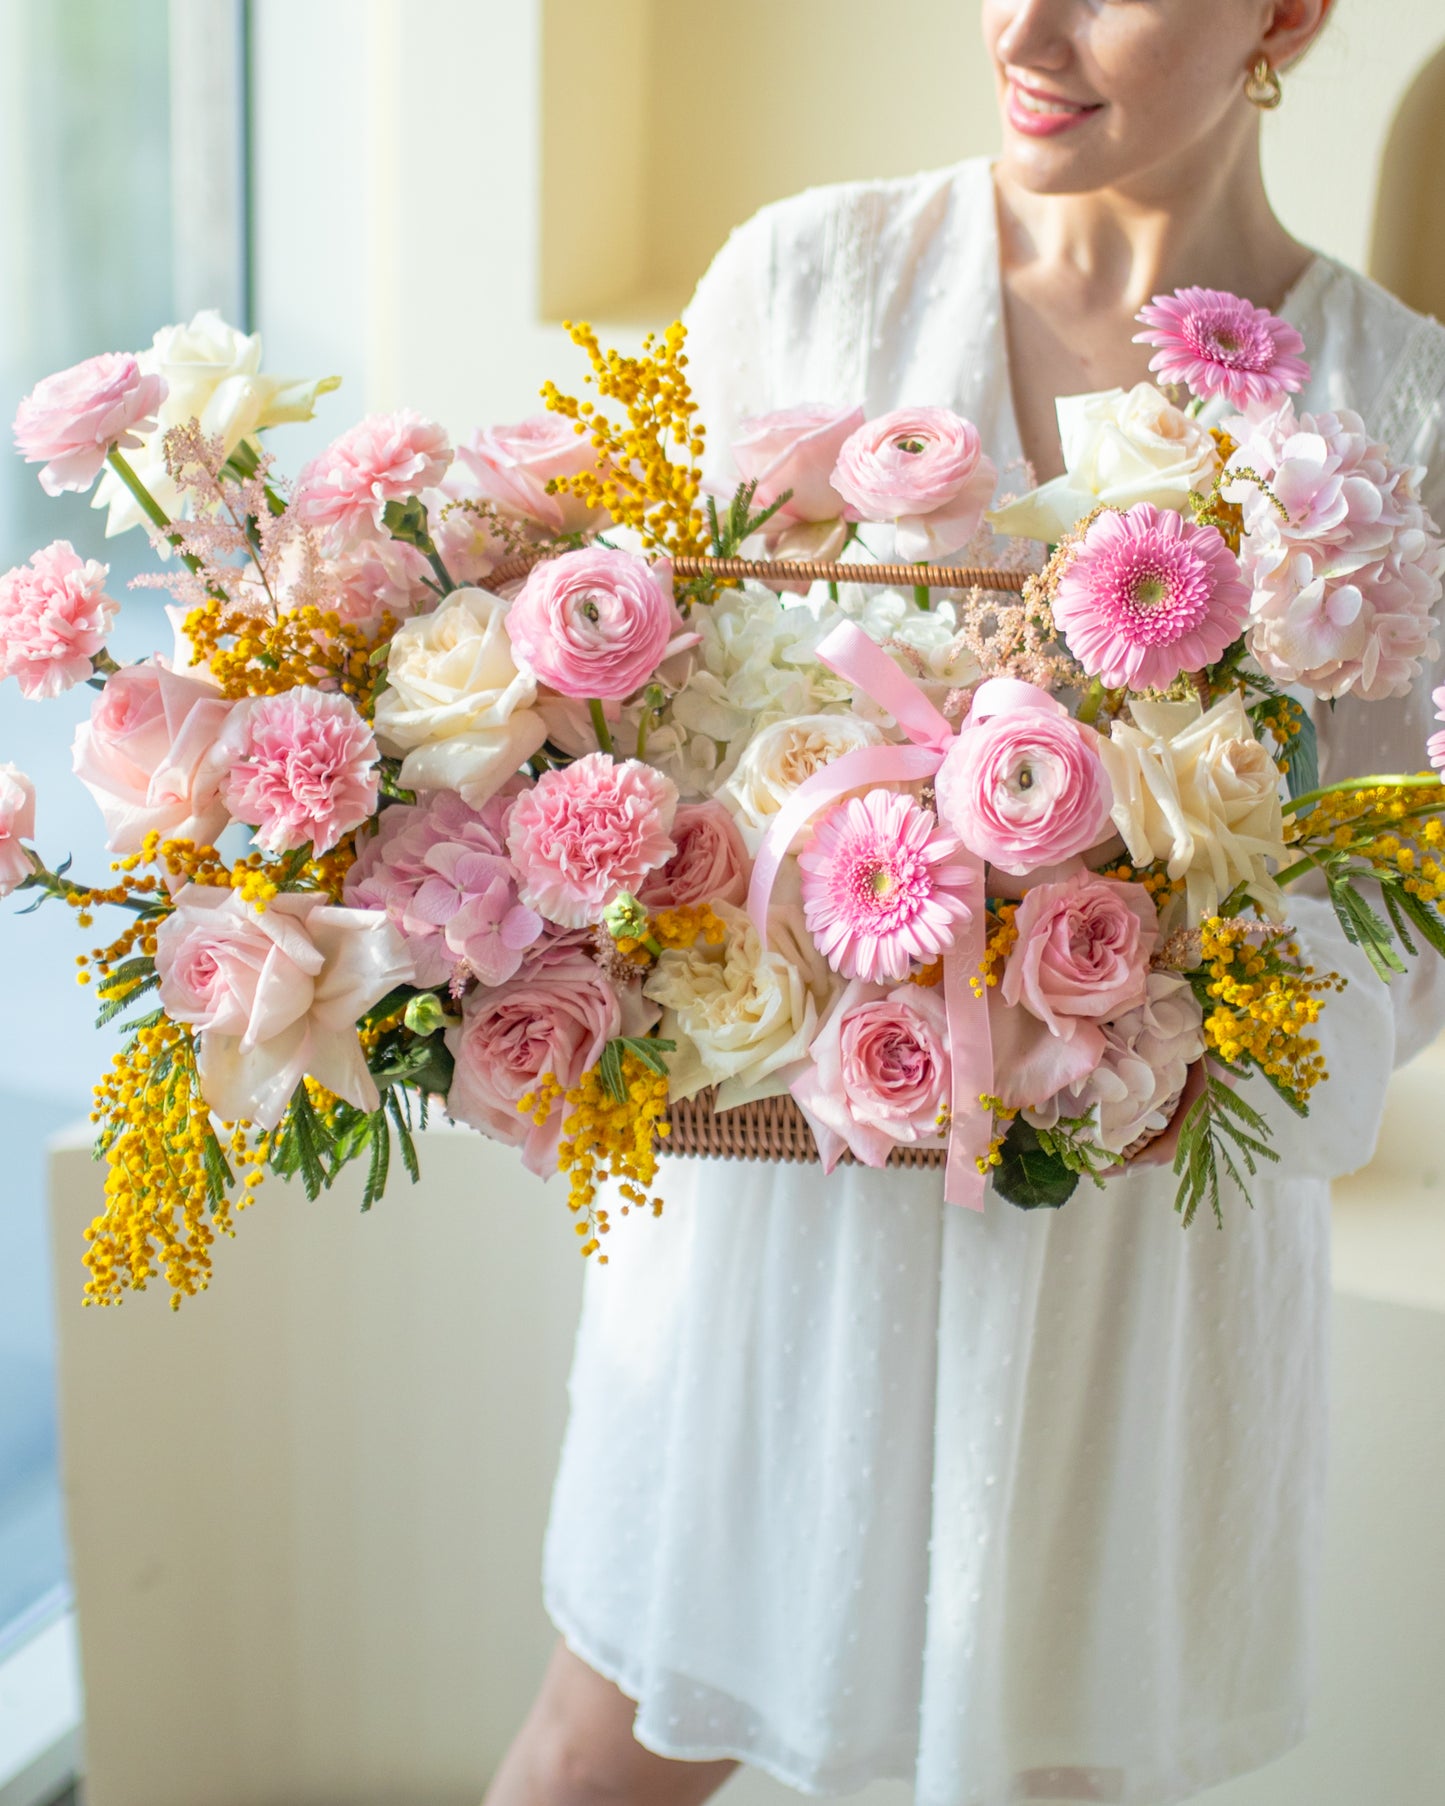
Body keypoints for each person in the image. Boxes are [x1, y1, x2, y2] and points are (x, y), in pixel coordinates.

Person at [485, 3, 1445, 1801]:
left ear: (1289, 14)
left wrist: (1135, 980)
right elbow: (649, 736)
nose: (1024, 26)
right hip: (778, 1226)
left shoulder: (1400, 408)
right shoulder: (806, 277)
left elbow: (1403, 917)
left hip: (1133, 1279)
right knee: (590, 1756)